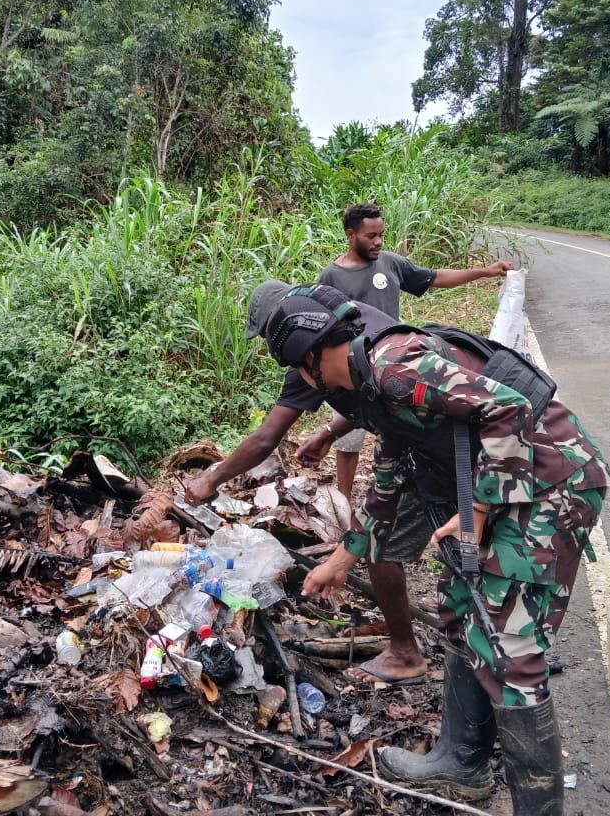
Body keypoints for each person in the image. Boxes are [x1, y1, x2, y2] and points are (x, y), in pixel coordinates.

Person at [254, 281, 610, 814]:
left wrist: (480, 514)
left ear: (308, 360)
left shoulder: (394, 365)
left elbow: (507, 409)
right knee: (460, 611)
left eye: (302, 374)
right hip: (508, 481)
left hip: (552, 480)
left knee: (509, 648)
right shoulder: (366, 386)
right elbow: (391, 475)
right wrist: (344, 556)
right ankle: (461, 764)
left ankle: (540, 807)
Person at [183, 282, 435, 688]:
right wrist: (329, 433)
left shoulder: (312, 352)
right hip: (439, 443)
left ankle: (408, 653)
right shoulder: (355, 325)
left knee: (378, 543)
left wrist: (210, 479)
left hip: (438, 450)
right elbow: (374, 388)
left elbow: (267, 438)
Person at [317, 202, 514, 503]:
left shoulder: (391, 263)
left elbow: (434, 278)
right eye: (371, 236)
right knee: (348, 442)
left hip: (395, 367)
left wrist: (484, 272)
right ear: (350, 234)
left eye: (381, 234)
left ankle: (399, 496)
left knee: (402, 433)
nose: (379, 242)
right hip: (352, 371)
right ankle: (344, 504)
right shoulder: (331, 277)